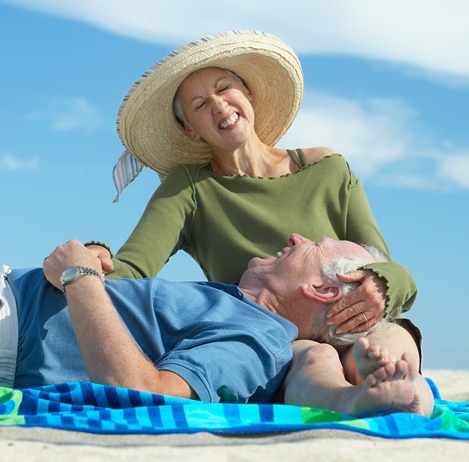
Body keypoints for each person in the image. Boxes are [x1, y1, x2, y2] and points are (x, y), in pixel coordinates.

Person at [88, 30, 422, 398]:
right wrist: (95, 255)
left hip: (356, 319)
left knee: (388, 339)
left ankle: (399, 389)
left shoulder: (327, 168)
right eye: (199, 104)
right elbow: (132, 271)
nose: (217, 105)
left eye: (224, 88)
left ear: (248, 93)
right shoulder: (190, 187)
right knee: (313, 357)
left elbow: (385, 261)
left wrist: (383, 285)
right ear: (190, 130)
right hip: (269, 336)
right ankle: (354, 400)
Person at [0, 234, 433, 417]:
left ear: (323, 291)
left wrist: (81, 279)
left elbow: (142, 394)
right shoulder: (235, 304)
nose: (295, 238)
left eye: (313, 247)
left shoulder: (258, 338)